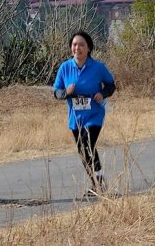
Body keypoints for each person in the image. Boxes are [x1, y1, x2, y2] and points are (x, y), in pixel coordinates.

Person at [53, 31, 116, 195]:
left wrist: (102, 93)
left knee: (88, 145)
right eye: (74, 45)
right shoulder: (65, 68)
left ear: (88, 48)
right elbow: (56, 92)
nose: (77, 48)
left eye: (81, 45)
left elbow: (111, 85)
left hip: (94, 115)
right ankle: (97, 184)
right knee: (83, 151)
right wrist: (66, 92)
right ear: (70, 48)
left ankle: (99, 184)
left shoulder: (98, 68)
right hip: (75, 118)